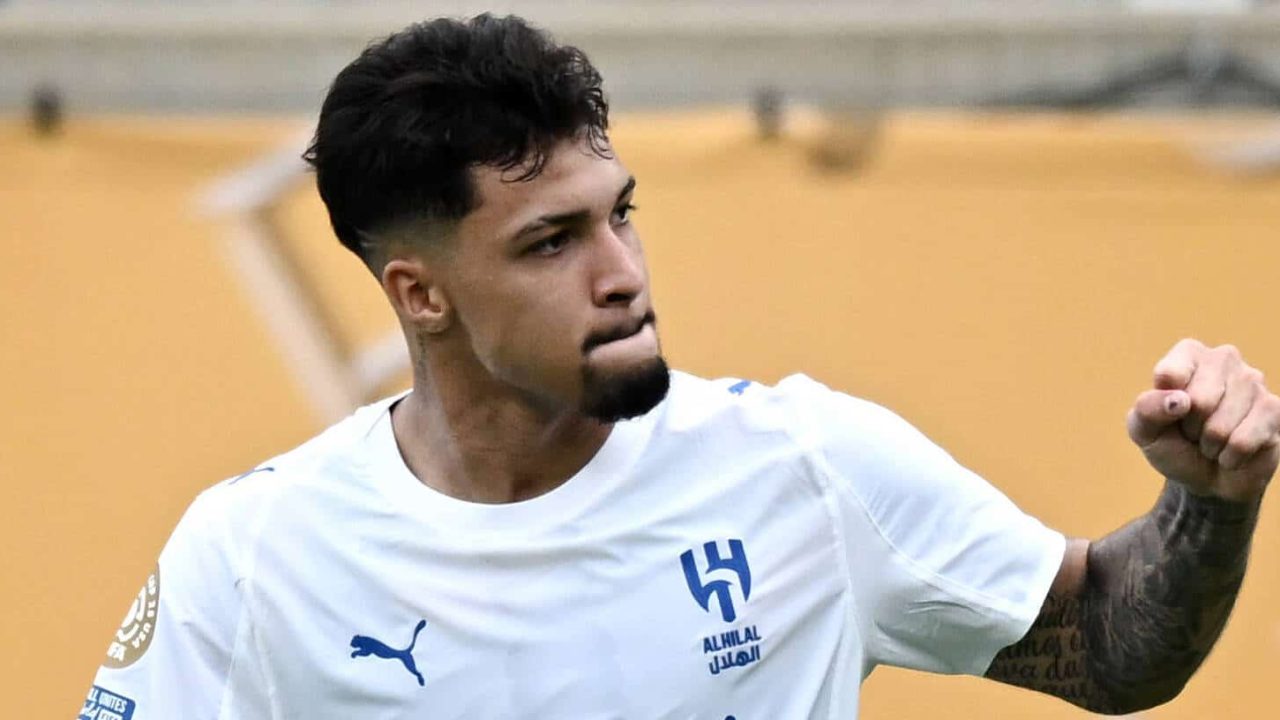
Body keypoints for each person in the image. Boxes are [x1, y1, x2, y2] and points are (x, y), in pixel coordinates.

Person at [79, 14, 1277, 720]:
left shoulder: (805, 465)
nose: (621, 273)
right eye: (550, 242)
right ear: (418, 293)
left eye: (620, 215)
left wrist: (1209, 501)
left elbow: (1109, 647)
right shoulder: (252, 554)